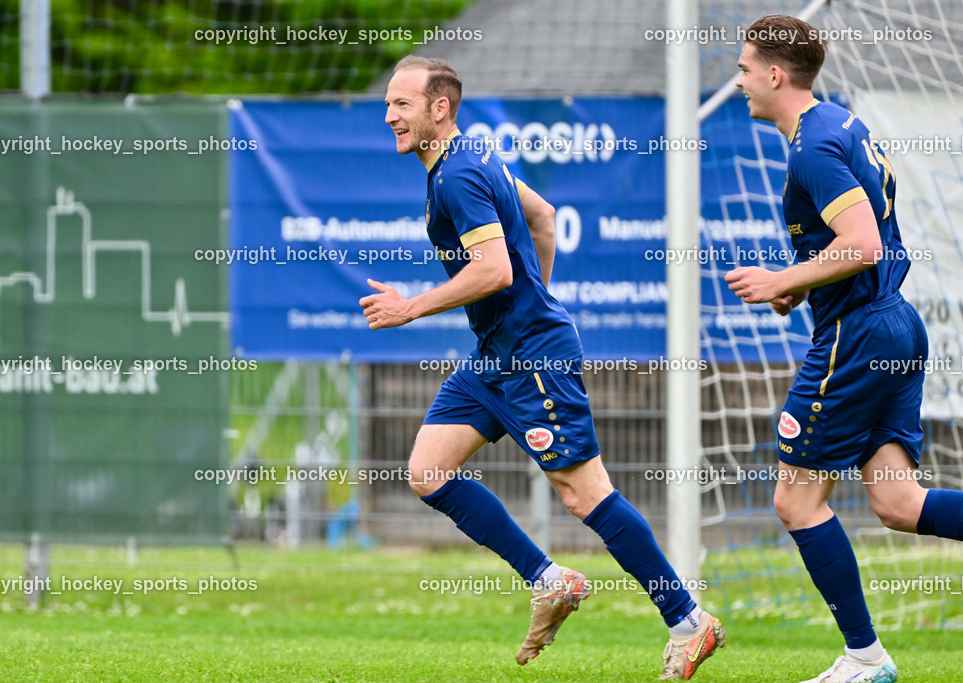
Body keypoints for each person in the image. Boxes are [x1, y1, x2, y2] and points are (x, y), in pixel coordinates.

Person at [360, 55, 724, 679]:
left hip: (531, 356)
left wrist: (411, 308)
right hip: (496, 356)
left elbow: (495, 270)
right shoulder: (469, 157)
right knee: (427, 471)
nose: (390, 116)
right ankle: (550, 579)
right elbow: (544, 216)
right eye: (388, 104)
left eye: (402, 104)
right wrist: (534, 305)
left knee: (585, 495)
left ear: (439, 108)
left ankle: (689, 621)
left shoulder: (457, 175)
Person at [726, 14, 963, 683]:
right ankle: (866, 658)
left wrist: (782, 279)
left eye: (744, 68)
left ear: (776, 74)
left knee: (796, 501)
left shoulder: (811, 148)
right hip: (892, 322)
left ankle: (866, 658)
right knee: (899, 503)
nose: (739, 80)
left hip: (858, 335)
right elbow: (856, 244)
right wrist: (802, 286)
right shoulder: (838, 122)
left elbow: (862, 243)